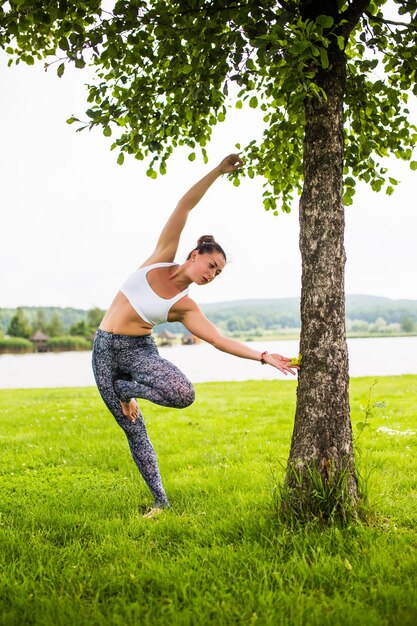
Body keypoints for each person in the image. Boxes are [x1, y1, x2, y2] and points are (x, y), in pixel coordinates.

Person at [92, 153, 298, 517]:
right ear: (194, 254)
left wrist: (264, 356)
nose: (212, 274)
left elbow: (219, 340)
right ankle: (161, 501)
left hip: (139, 352)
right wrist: (218, 171)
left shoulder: (186, 307)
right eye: (211, 265)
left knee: (183, 394)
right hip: (104, 352)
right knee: (134, 430)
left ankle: (127, 392)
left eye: (218, 274)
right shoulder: (160, 257)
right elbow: (184, 206)